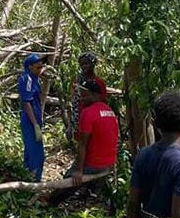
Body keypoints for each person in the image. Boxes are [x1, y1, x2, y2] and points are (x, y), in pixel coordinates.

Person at [43, 80, 119, 207]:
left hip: (95, 164)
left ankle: (50, 202)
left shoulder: (88, 113)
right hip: (109, 162)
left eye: (85, 95)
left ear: (96, 95)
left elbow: (82, 144)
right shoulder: (109, 111)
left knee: (70, 178)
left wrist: (79, 170)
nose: (82, 99)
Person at [18, 53, 46, 181]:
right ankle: (34, 180)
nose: (40, 70)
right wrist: (35, 124)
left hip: (35, 119)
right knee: (36, 153)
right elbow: (26, 102)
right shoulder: (27, 79)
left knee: (30, 151)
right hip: (30, 120)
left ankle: (27, 178)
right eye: (37, 68)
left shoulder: (34, 78)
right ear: (30, 67)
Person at [69, 52, 108, 141]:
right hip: (80, 116)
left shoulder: (99, 82)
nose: (84, 67)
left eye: (86, 63)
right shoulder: (77, 81)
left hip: (95, 118)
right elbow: (73, 100)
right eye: (82, 64)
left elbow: (103, 100)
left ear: (93, 64)